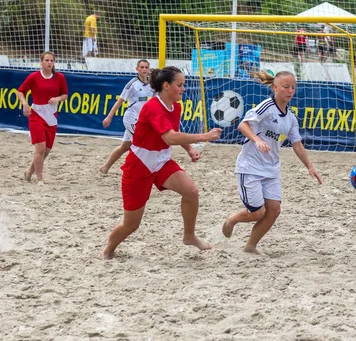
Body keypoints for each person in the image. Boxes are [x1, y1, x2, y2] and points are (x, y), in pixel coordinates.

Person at [102, 66, 223, 260]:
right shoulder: (152, 107)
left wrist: (190, 149)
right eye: (180, 85)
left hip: (161, 161)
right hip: (139, 165)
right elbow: (169, 137)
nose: (183, 89)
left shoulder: (175, 105)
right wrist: (204, 136)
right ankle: (108, 250)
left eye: (184, 84)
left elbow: (174, 134)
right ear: (166, 86)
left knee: (191, 191)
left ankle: (189, 236)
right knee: (131, 224)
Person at [221, 71, 322, 254]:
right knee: (257, 213)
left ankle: (250, 246)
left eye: (293, 87)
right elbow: (243, 124)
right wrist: (257, 140)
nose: (290, 91)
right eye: (286, 87)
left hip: (271, 169)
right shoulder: (266, 106)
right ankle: (232, 219)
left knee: (274, 210)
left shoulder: (291, 118)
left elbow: (297, 144)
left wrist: (310, 166)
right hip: (250, 167)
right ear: (275, 87)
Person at [17, 51, 69, 186]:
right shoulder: (34, 77)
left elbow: (65, 95)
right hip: (36, 114)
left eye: (51, 60)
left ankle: (29, 171)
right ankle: (40, 179)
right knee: (40, 148)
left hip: (51, 116)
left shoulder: (59, 77)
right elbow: (20, 91)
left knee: (46, 151)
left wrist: (57, 98)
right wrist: (25, 104)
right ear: (41, 62)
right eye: (47, 60)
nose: (49, 63)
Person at [100, 59, 153, 174]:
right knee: (141, 144)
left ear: (149, 69)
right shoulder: (132, 84)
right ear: (137, 69)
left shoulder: (152, 84)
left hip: (143, 121)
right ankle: (134, 170)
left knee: (125, 146)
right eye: (142, 67)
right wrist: (109, 117)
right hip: (131, 119)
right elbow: (120, 101)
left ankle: (105, 167)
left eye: (146, 67)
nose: (144, 69)